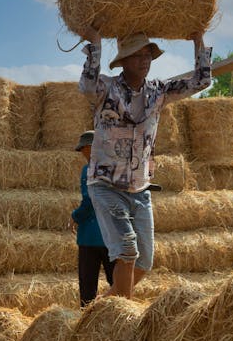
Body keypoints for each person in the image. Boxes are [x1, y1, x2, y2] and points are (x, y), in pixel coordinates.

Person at [78, 28, 211, 298]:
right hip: (106, 185)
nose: (144, 60)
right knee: (127, 250)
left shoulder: (159, 91)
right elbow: (86, 85)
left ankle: (104, 305)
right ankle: (122, 317)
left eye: (148, 54)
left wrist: (198, 41)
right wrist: (95, 44)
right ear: (123, 61)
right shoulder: (107, 88)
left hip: (140, 189)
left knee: (144, 262)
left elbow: (201, 82)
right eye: (137, 55)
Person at [70, 130, 115, 306]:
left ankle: (87, 326)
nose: (82, 153)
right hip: (113, 236)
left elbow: (90, 200)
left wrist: (75, 216)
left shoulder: (89, 169)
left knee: (88, 289)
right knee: (117, 284)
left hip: (91, 237)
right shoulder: (114, 168)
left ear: (91, 147)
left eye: (83, 149)